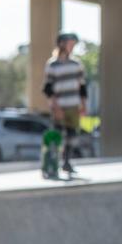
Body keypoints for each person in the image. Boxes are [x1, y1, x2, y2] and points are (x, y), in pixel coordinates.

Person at [43, 32, 87, 175]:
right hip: (59, 106)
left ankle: (67, 162)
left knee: (72, 135)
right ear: (61, 44)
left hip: (73, 104)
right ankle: (53, 163)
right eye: (70, 43)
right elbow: (48, 88)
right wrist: (55, 107)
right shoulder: (52, 64)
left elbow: (82, 87)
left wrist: (83, 105)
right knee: (57, 135)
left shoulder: (76, 64)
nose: (72, 46)